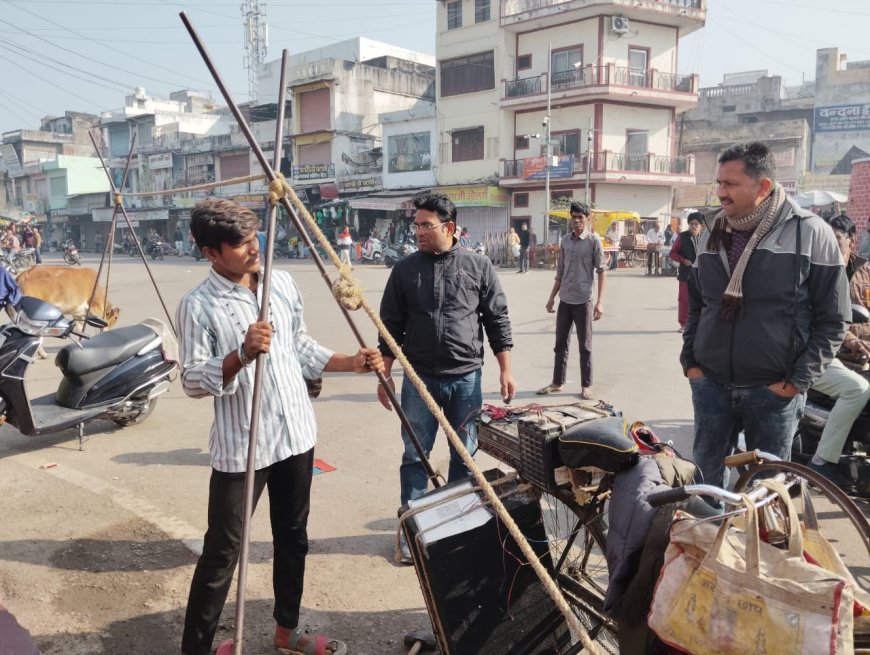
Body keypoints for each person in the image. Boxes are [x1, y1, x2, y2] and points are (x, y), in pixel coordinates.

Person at [177, 197, 382, 655]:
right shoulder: (197, 304)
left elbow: (299, 346)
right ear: (210, 252)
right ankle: (196, 649)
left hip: (296, 436)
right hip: (242, 445)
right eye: (240, 244)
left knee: (293, 537)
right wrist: (241, 354)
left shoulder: (281, 282)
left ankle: (287, 631)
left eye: (255, 238)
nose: (254, 249)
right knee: (222, 553)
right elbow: (191, 381)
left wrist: (351, 363)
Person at [681, 142, 849, 492]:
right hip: (711, 384)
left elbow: (834, 319)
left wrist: (795, 382)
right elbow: (698, 302)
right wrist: (691, 362)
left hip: (773, 392)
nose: (720, 192)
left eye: (730, 184)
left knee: (767, 495)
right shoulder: (711, 229)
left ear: (764, 186)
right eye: (719, 183)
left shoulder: (809, 232)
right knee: (705, 489)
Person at [376, 192, 516, 564]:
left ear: (449, 227)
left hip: (466, 379)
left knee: (464, 457)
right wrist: (385, 372)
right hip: (419, 379)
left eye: (427, 225)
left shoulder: (478, 267)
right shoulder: (404, 270)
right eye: (416, 225)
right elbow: (390, 325)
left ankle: (454, 529)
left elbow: (497, 320)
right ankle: (413, 532)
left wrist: (505, 369)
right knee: (415, 456)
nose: (419, 232)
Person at [807, 213, 870, 491]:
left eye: (838, 238)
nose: (832, 244)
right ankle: (822, 461)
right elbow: (828, 319)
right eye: (827, 238)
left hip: (862, 355)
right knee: (858, 390)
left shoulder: (865, 271)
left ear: (852, 239)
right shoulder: (816, 271)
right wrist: (851, 340)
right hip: (827, 354)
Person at [536, 201, 606, 401]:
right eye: (573, 217)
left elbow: (601, 271)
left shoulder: (593, 241)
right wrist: (551, 298)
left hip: (584, 300)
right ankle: (557, 382)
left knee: (585, 346)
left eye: (580, 217)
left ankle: (586, 385)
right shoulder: (565, 241)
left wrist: (600, 302)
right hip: (565, 299)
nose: (576, 221)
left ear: (587, 219)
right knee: (560, 344)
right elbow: (560, 272)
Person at [669, 213, 703, 332]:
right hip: (686, 274)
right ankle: (684, 324)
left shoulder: (705, 237)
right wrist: (683, 260)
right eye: (692, 224)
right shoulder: (682, 237)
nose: (694, 226)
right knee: (684, 299)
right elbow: (673, 253)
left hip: (702, 274)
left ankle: (700, 324)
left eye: (696, 224)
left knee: (702, 299)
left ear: (701, 226)